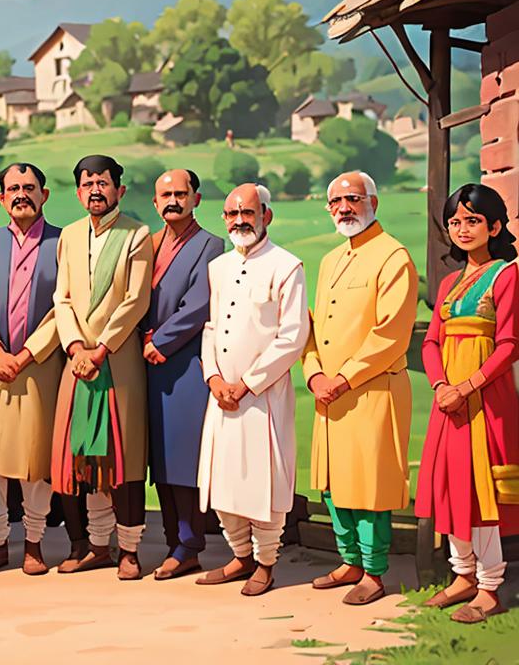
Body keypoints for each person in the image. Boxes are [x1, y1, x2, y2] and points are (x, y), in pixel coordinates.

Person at [302, 171, 417, 605]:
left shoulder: (393, 257)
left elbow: (391, 334)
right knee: (333, 483)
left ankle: (374, 571)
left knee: (369, 486)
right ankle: (348, 560)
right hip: (329, 394)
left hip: (370, 390)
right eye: (336, 202)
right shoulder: (332, 260)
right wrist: (314, 374)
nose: (344, 208)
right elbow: (314, 329)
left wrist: (343, 378)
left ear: (374, 202)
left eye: (353, 199)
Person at [196, 183, 308, 597]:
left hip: (262, 395)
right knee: (223, 480)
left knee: (265, 481)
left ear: (266, 216)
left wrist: (246, 384)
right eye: (232, 214)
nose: (240, 221)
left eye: (248, 213)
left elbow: (292, 337)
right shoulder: (220, 266)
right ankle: (239, 555)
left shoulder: (286, 266)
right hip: (221, 394)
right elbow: (210, 329)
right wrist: (214, 379)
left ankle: (265, 561)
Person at [417, 183, 518, 624]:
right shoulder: (449, 282)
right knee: (450, 484)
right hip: (449, 402)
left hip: (485, 400)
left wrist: (468, 386)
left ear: (494, 226)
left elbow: (509, 344)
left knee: (482, 490)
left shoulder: (507, 275)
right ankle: (461, 575)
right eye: (455, 221)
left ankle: (491, 586)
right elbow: (432, 341)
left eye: (472, 220)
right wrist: (441, 386)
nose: (462, 228)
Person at [52, 155, 153, 580]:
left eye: (104, 183)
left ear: (119, 190)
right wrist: (75, 346)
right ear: (77, 192)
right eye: (88, 183)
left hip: (117, 360)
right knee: (84, 459)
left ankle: (129, 551)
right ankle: (96, 545)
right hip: (76, 362)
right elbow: (62, 299)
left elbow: (135, 301)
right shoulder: (70, 235)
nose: (96, 190)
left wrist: (100, 349)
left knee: (123, 458)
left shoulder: (137, 234)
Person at [0, 163, 65, 575]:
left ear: (44, 194)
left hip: (39, 366)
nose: (21, 194)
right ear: (1, 199)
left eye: (29, 187)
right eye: (13, 189)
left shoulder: (63, 243)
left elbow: (66, 306)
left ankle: (35, 544)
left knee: (33, 458)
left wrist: (25, 355)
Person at [143, 169, 224, 580]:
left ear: (196, 198)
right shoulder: (149, 244)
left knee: (182, 459)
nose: (172, 200)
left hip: (183, 365)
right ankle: (173, 537)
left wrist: (160, 342)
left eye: (180, 193)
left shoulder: (211, 245)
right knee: (159, 460)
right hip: (146, 364)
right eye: (165, 195)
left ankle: (189, 544)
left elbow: (198, 305)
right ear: (155, 203)